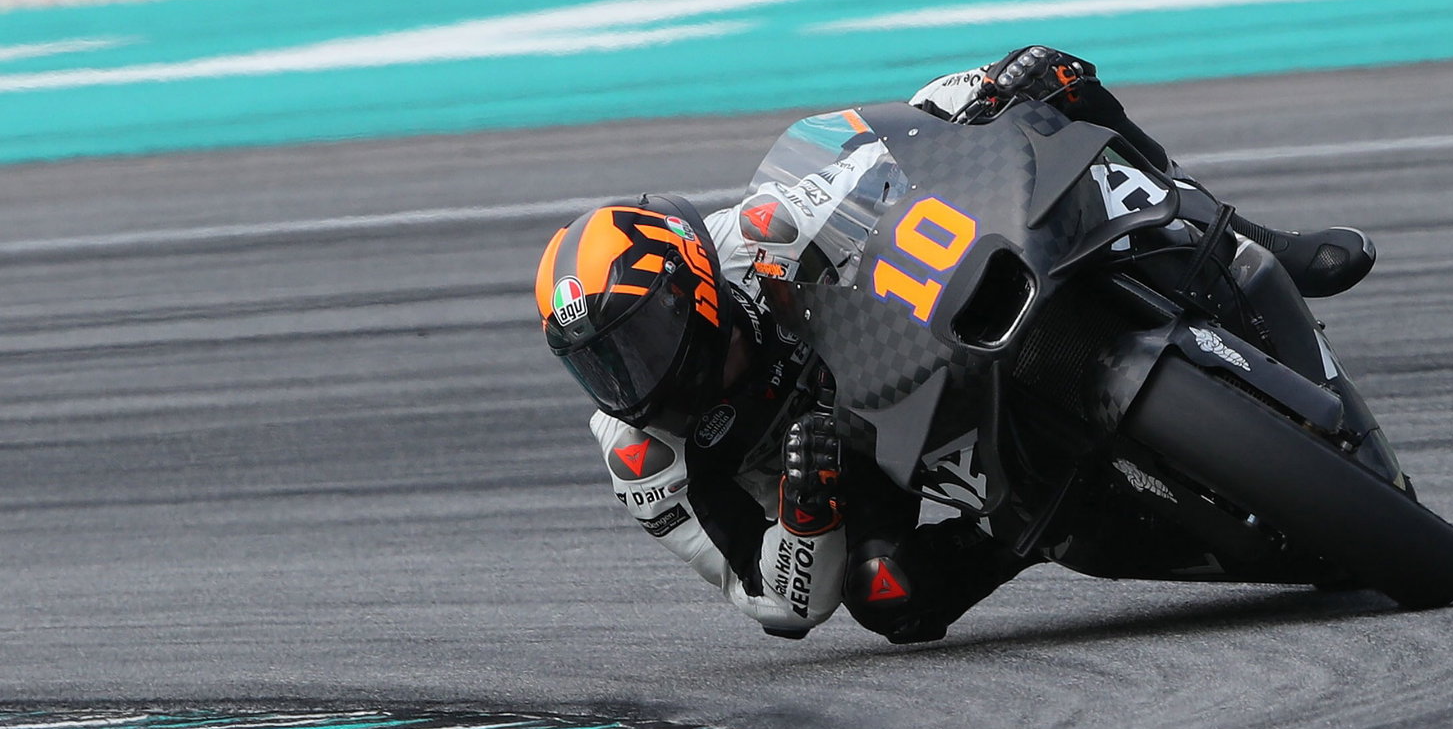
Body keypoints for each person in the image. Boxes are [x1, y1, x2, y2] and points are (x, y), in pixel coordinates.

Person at [533, 47, 1377, 644]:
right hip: (862, 465)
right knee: (889, 597)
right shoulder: (642, 456)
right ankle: (1030, 529)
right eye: (598, 363)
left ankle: (1244, 237)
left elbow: (887, 144)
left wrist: (983, 92)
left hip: (906, 332)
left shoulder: (754, 234)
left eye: (637, 339)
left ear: (694, 286)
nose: (628, 376)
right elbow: (777, 605)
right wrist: (803, 510)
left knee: (1052, 81)